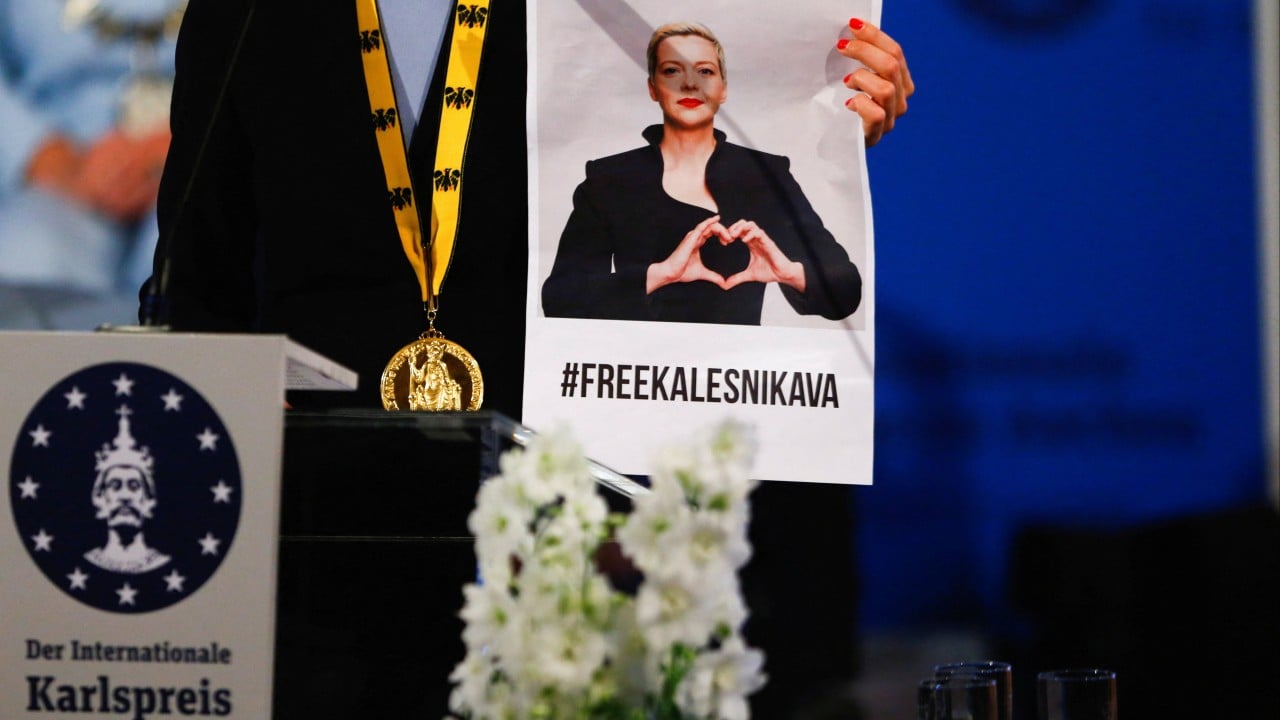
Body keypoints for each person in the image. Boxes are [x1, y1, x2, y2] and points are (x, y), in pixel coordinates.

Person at [148, 2, 913, 717]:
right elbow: (194, 281)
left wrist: (824, 120)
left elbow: (828, 280)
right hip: (322, 542)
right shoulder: (246, 10)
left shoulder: (604, 18)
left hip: (577, 526)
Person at [541, 23, 862, 325]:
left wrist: (790, 272)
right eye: (672, 70)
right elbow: (560, 299)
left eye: (705, 71)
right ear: (653, 88)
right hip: (636, 363)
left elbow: (845, 291)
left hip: (739, 364)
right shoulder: (609, 179)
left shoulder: (766, 175)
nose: (690, 83)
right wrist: (661, 274)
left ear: (723, 89)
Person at [0, 0, 178, 329]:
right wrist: (38, 151)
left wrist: (190, 140)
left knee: (208, 264)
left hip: (209, 159)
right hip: (52, 167)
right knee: (24, 263)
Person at [85, 406, 170, 574]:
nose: (125, 496)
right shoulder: (87, 562)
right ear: (99, 498)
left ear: (149, 499)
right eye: (115, 486)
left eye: (134, 486)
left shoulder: (163, 564)